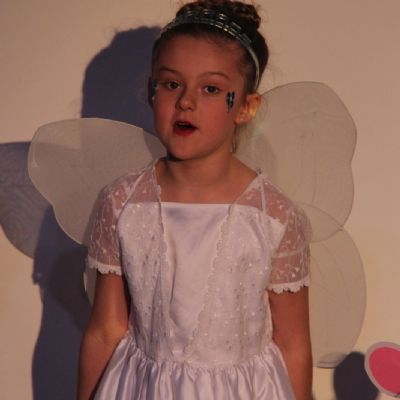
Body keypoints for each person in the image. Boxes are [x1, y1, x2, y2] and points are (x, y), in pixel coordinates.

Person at [78, 1, 312, 399]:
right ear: (151, 91)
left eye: (211, 89)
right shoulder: (122, 204)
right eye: (172, 84)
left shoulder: (272, 216)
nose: (186, 101)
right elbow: (105, 330)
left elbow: (293, 343)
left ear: (246, 106)